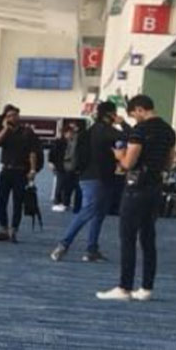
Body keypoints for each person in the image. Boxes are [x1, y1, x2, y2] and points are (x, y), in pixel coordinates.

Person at [98, 94, 175, 302]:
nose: (134, 119)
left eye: (134, 114)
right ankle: (146, 288)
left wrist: (119, 156)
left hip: (136, 188)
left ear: (140, 109)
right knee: (148, 238)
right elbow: (169, 163)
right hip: (155, 187)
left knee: (128, 238)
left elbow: (128, 163)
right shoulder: (168, 131)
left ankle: (124, 287)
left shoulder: (140, 131)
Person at [50, 100, 120, 262]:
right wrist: (122, 124)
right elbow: (130, 136)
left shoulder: (90, 131)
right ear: (110, 114)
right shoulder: (105, 130)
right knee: (89, 210)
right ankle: (64, 244)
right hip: (98, 177)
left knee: (98, 213)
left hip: (88, 176)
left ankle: (91, 249)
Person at [0, 104, 42, 241]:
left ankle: (14, 230)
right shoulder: (4, 132)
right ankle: (3, 229)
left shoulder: (27, 132)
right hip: (6, 170)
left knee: (18, 202)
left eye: (14, 115)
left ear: (19, 116)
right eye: (9, 116)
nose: (12, 118)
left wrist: (32, 170)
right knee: (2, 201)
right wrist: (5, 128)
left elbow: (33, 152)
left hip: (21, 172)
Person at [48, 118, 80, 212]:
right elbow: (52, 153)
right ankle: (57, 202)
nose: (71, 134)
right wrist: (51, 162)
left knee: (68, 186)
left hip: (70, 167)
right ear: (65, 133)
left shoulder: (74, 142)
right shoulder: (59, 142)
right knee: (60, 185)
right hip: (60, 166)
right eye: (69, 133)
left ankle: (66, 202)